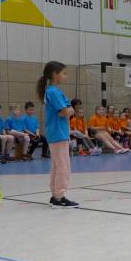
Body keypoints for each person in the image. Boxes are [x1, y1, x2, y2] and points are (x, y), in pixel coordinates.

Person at [38, 61, 79, 208]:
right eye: (63, 73)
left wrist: (68, 110)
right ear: (55, 74)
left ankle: (56, 195)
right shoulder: (53, 92)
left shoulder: (52, 91)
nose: (65, 76)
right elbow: (64, 111)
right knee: (63, 166)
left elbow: (66, 110)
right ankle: (60, 197)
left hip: (56, 132)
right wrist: (69, 110)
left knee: (57, 166)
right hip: (58, 132)